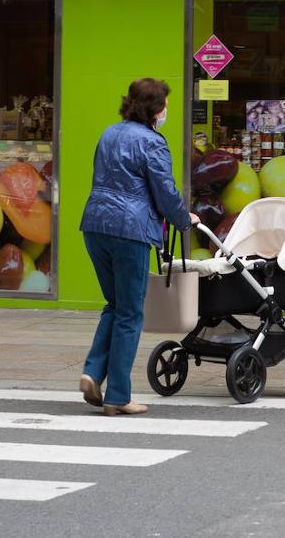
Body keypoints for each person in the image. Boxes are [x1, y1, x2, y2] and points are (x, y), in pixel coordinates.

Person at [79, 78, 198, 415]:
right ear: (155, 109)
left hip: (95, 225)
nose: (167, 112)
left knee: (114, 304)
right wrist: (183, 218)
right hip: (130, 230)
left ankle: (92, 372)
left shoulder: (109, 134)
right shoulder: (153, 143)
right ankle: (118, 395)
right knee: (130, 311)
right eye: (165, 105)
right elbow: (165, 192)